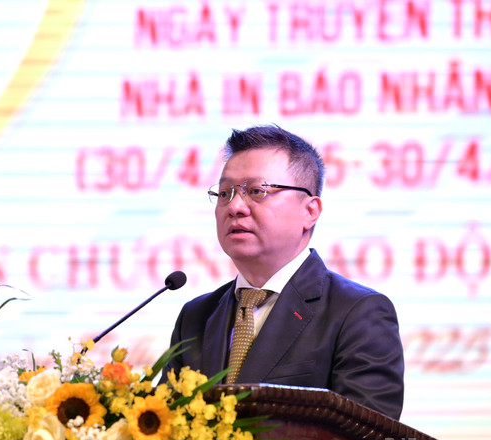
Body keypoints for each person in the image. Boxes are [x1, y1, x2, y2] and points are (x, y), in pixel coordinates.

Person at [163, 124, 404, 420]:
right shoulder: (196, 316)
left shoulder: (357, 313)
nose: (235, 206)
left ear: (310, 211)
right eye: (225, 193)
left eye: (256, 191)